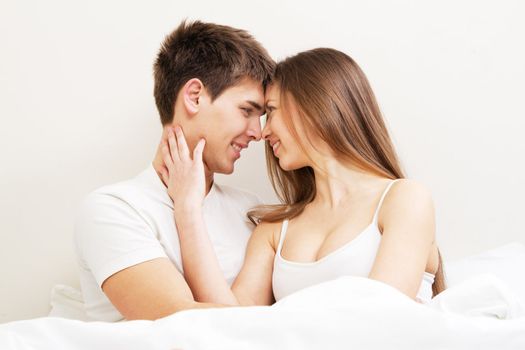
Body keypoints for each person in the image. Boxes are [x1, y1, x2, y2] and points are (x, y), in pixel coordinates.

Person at [161, 47, 446, 307]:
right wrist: (188, 210)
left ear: (314, 104)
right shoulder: (274, 231)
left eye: (270, 112)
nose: (263, 132)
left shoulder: (404, 200)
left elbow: (382, 317)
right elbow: (229, 320)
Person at [74, 20, 274, 321]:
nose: (257, 133)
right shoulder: (113, 209)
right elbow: (183, 326)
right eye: (246, 111)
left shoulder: (249, 210)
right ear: (194, 96)